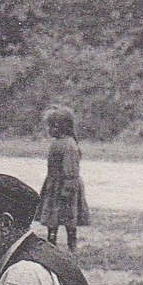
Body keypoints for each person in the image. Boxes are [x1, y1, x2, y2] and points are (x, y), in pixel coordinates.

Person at [38, 106, 90, 252]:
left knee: (69, 218)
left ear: (63, 127)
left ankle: (71, 246)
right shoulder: (57, 143)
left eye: (53, 126)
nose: (50, 130)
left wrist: (67, 188)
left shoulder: (69, 145)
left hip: (66, 186)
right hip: (54, 185)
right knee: (52, 218)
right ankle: (51, 244)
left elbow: (71, 169)